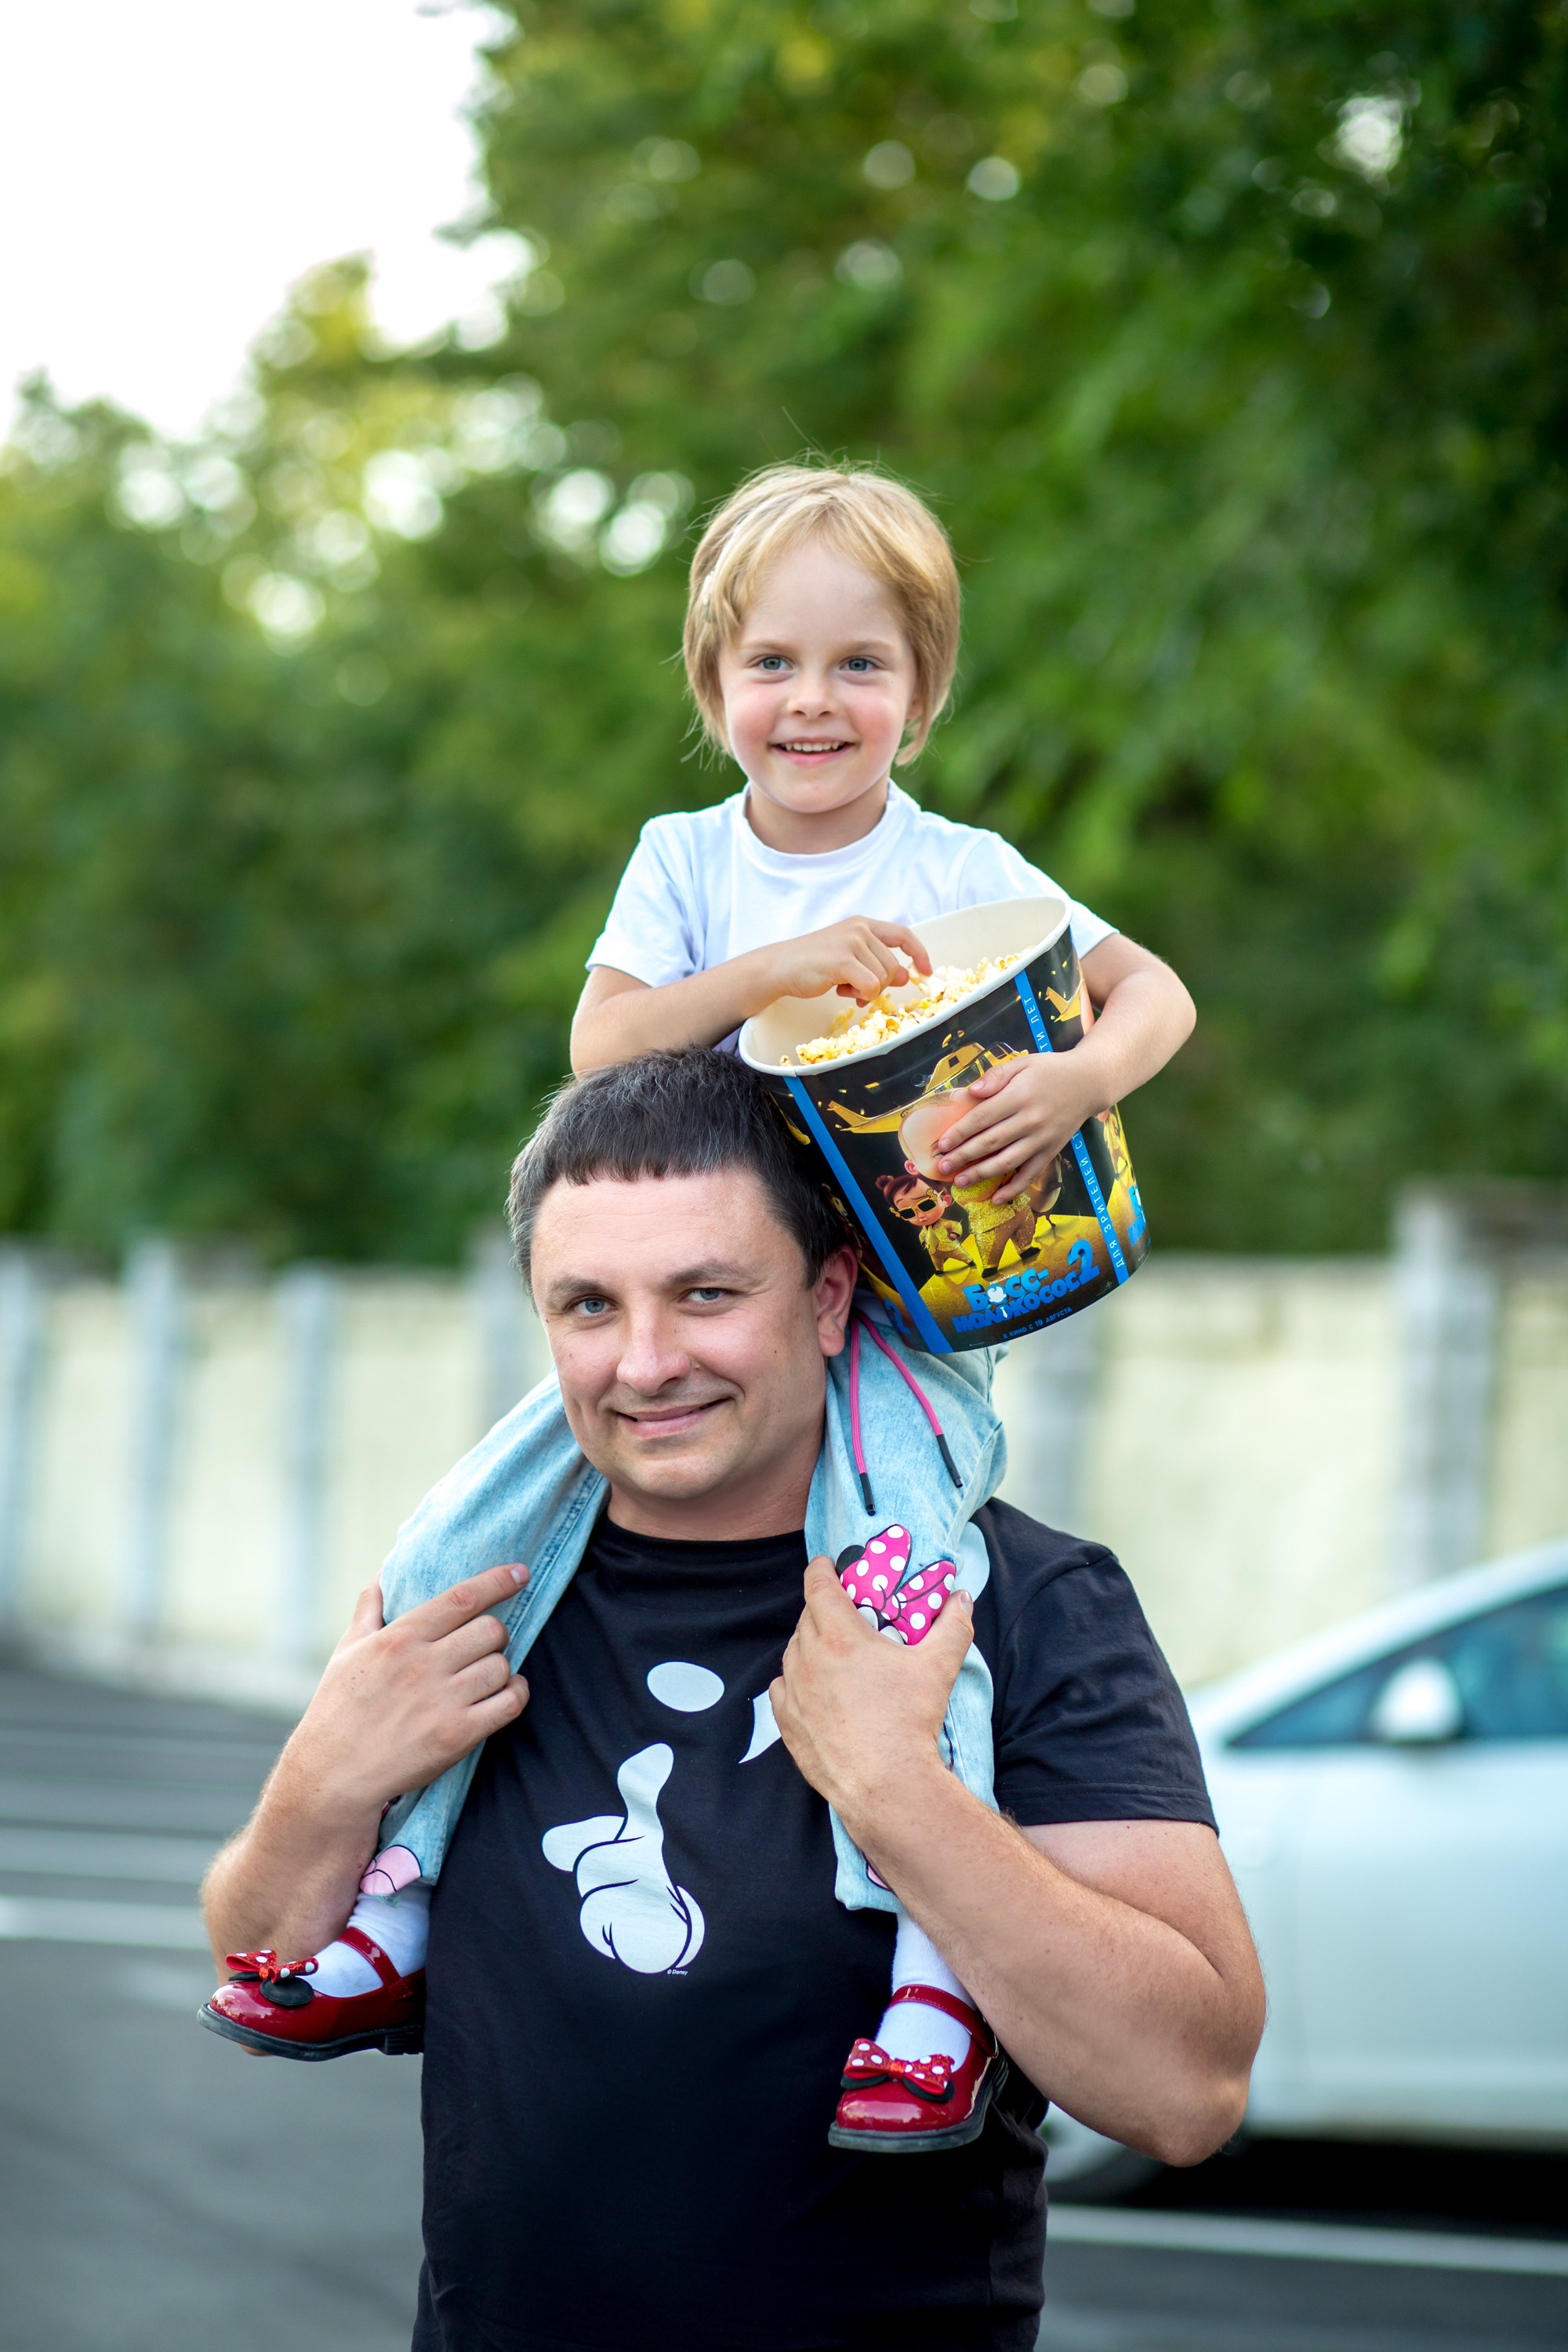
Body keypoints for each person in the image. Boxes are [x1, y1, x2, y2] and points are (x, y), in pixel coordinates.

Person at [200, 460, 1195, 2129]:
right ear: (713, 681)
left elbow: (1153, 989)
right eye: (772, 663)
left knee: (907, 1610)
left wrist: (1077, 1080)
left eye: (860, 663)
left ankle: (932, 1985)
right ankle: (398, 1906)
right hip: (707, 1297)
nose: (812, 700)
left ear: (923, 691)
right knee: (454, 1550)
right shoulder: (684, 861)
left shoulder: (959, 866)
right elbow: (602, 1043)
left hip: (897, 1325)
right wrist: (769, 974)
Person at [202, 1051, 1262, 2352]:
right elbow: (259, 1972)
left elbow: (1184, 2093)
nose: (647, 1363)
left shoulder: (1025, 1605)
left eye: (706, 1295)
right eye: (589, 1307)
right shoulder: (482, 1602)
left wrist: (898, 1788)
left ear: (829, 1296)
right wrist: (321, 1785)